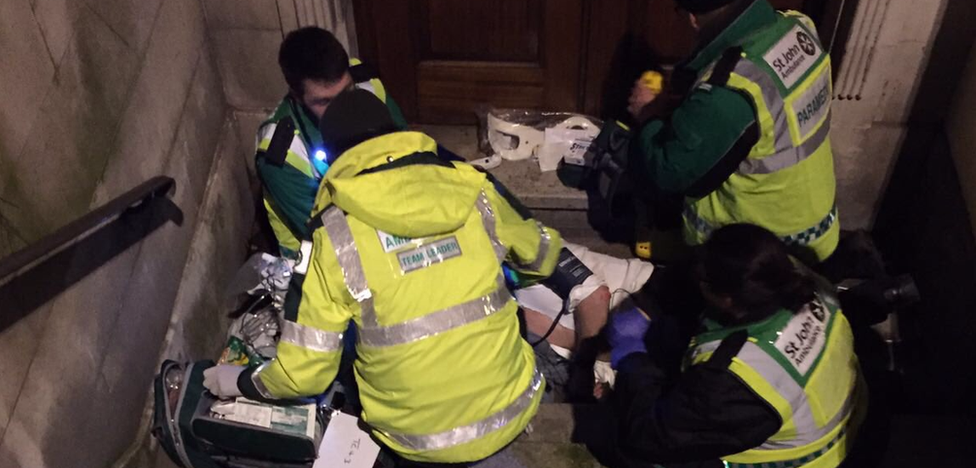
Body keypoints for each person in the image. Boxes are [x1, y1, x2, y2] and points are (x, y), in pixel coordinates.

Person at [204, 90, 562, 465]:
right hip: (513, 408)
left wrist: (241, 381)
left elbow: (305, 375)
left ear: (336, 155)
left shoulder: (332, 234)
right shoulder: (473, 189)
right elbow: (543, 254)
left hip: (417, 442)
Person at [627, 0, 839, 264]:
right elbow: (764, 117)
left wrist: (648, 114)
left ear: (693, 17)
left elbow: (670, 171)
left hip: (763, 257)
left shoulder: (730, 90)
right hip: (816, 227)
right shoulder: (798, 27)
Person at [605, 223, 864, 468]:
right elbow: (696, 271)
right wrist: (651, 301)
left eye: (704, 282)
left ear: (727, 300)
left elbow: (651, 433)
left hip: (809, 458)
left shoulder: (733, 379)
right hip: (843, 409)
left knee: (626, 442)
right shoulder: (787, 274)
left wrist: (633, 359)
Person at [255, 27, 408, 257]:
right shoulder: (283, 157)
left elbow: (409, 154)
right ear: (297, 97)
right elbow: (331, 237)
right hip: (323, 253)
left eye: (347, 90)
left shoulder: (367, 85)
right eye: (325, 102)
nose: (342, 108)